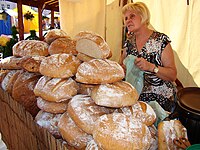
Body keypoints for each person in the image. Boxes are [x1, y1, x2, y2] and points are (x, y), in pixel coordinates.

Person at [120, 2, 177, 113]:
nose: (127, 20)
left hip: (161, 101)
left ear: (143, 16)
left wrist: (151, 67)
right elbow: (121, 65)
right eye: (126, 18)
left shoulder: (161, 40)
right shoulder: (128, 42)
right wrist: (123, 69)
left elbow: (173, 75)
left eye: (132, 16)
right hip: (137, 100)